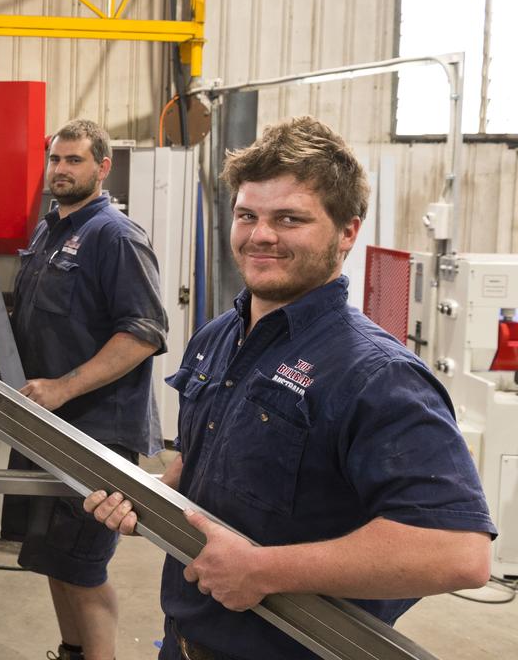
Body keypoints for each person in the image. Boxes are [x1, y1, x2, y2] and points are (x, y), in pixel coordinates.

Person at [84, 116, 495, 660]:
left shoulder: (375, 375)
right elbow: (204, 462)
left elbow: (457, 552)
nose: (260, 236)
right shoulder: (218, 337)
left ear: (347, 232)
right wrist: (152, 497)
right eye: (247, 215)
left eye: (289, 219)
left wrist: (263, 570)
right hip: (184, 640)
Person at [5, 119, 168, 660]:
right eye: (55, 160)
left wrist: (62, 387)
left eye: (74, 160)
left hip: (94, 428)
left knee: (82, 563)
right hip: (46, 422)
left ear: (103, 167)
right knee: (53, 557)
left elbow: (144, 334)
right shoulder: (49, 230)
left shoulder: (115, 236)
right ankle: (71, 652)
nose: (61, 170)